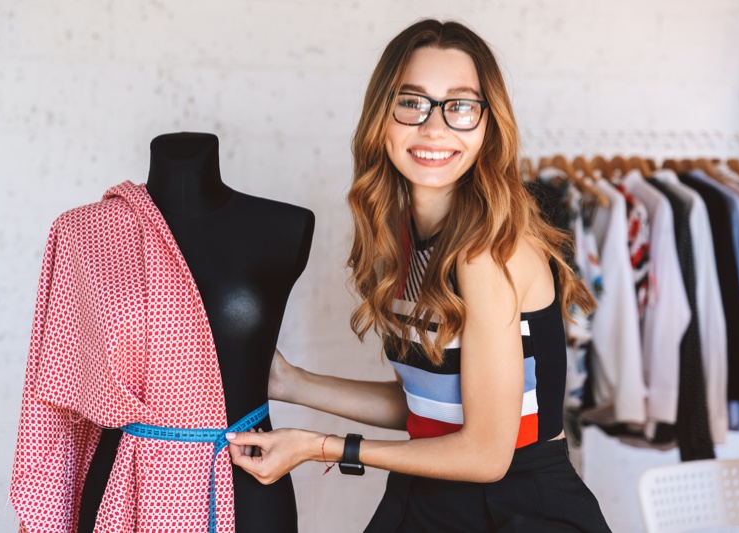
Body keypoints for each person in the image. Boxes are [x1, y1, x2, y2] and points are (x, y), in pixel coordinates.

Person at [225, 19, 612, 532]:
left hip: (515, 506)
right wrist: (290, 382)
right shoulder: (405, 237)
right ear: (381, 117)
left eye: (461, 106)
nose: (434, 128)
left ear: (488, 124)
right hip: (427, 495)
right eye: (412, 102)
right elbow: (429, 404)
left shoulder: (485, 251)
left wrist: (318, 446)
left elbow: (486, 455)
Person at [12, 132, 313, 533]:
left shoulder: (284, 227)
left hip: (246, 479)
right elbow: (54, 392)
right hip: (122, 484)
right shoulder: (82, 234)